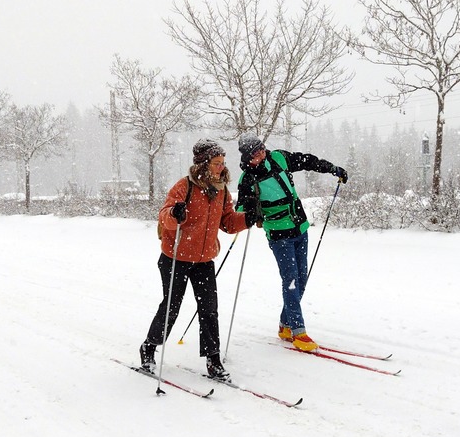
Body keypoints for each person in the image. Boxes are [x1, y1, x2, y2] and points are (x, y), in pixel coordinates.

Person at [139, 138, 254, 381]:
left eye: (223, 162)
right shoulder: (185, 186)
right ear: (203, 164)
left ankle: (213, 360)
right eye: (216, 162)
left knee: (209, 310)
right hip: (175, 257)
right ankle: (149, 347)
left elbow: (228, 222)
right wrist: (174, 213)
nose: (221, 167)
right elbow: (164, 217)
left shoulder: (221, 190)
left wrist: (247, 218)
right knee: (171, 307)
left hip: (204, 260)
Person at [235, 136, 347, 353]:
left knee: (301, 279)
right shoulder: (247, 179)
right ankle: (298, 331)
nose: (261, 154)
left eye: (261, 149)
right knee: (291, 280)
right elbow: (242, 209)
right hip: (279, 235)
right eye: (255, 153)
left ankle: (285, 325)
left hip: (300, 228)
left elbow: (306, 161)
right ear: (247, 157)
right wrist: (250, 213)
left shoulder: (278, 158)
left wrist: (332, 169)